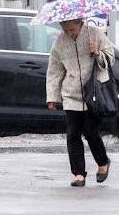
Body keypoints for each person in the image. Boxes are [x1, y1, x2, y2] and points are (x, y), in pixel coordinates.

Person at [46, 19, 114, 187]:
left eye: (72, 29)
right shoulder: (60, 42)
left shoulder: (95, 34)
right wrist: (52, 97)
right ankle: (78, 174)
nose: (70, 33)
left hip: (93, 93)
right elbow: (54, 71)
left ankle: (103, 162)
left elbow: (111, 59)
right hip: (71, 94)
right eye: (65, 29)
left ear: (80, 23)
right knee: (73, 134)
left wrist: (97, 53)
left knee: (91, 132)